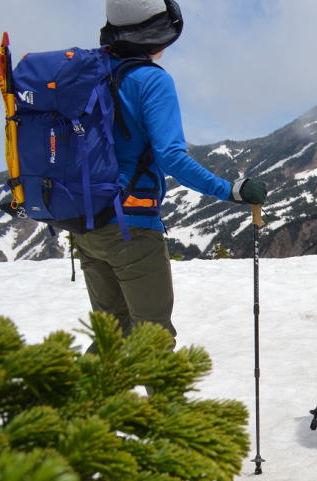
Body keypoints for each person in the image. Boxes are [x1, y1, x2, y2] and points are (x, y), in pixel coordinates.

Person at [76, 0, 267, 346]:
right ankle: (160, 403)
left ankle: (81, 402)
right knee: (154, 341)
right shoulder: (150, 80)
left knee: (112, 337)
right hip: (131, 225)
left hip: (85, 222)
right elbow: (172, 157)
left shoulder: (89, 73)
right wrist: (231, 190)